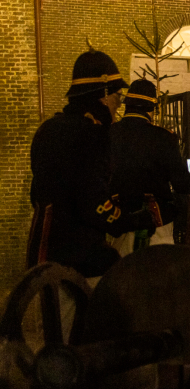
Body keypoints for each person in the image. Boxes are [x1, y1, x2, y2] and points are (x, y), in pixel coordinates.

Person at [27, 49, 155, 281]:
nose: (118, 106)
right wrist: (131, 221)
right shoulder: (92, 135)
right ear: (103, 95)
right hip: (78, 257)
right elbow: (92, 202)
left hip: (41, 253)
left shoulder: (48, 129)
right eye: (117, 97)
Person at [109, 79, 190, 256]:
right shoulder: (163, 138)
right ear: (152, 107)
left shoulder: (108, 134)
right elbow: (181, 184)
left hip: (117, 221)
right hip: (156, 224)